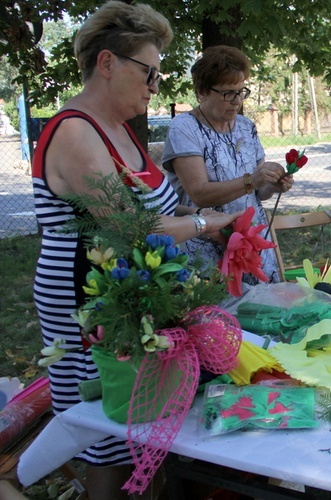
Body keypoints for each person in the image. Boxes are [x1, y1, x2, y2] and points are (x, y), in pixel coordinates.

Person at [31, 3, 240, 498]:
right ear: (107, 64)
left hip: (135, 298)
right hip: (88, 306)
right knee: (112, 434)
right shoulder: (76, 131)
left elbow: (162, 209)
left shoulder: (119, 130)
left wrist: (209, 225)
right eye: (149, 74)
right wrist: (205, 222)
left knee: (146, 427)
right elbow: (134, 230)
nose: (154, 87)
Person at [162, 45, 293, 284]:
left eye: (241, 92)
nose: (237, 101)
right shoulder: (185, 128)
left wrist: (273, 184)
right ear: (202, 92)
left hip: (252, 246)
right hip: (206, 248)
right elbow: (199, 193)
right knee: (218, 318)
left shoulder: (246, 126)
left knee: (265, 315)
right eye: (228, 93)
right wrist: (252, 180)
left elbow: (257, 194)